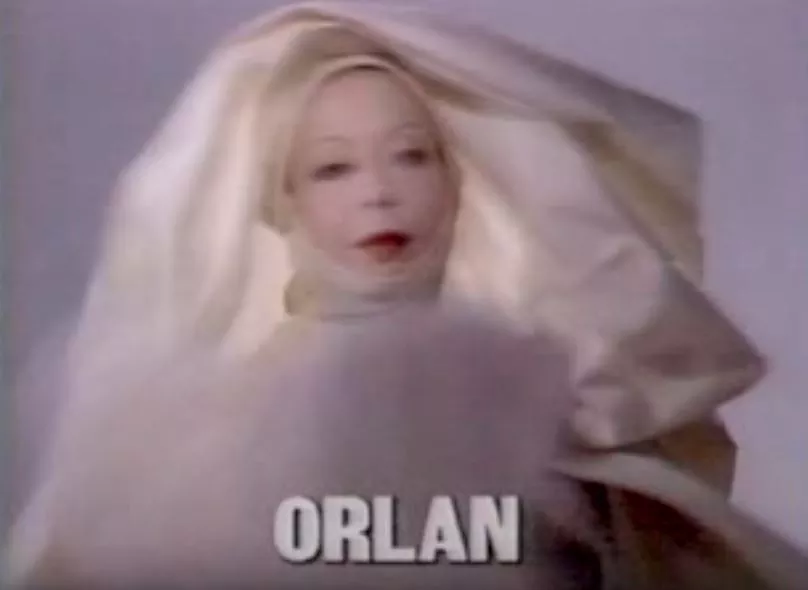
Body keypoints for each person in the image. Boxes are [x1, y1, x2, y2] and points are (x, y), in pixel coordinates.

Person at [4, 2, 807, 588]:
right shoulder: (208, 440)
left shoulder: (560, 414)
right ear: (283, 202)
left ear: (458, 185)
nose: (380, 193)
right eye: (333, 168)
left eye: (412, 156)